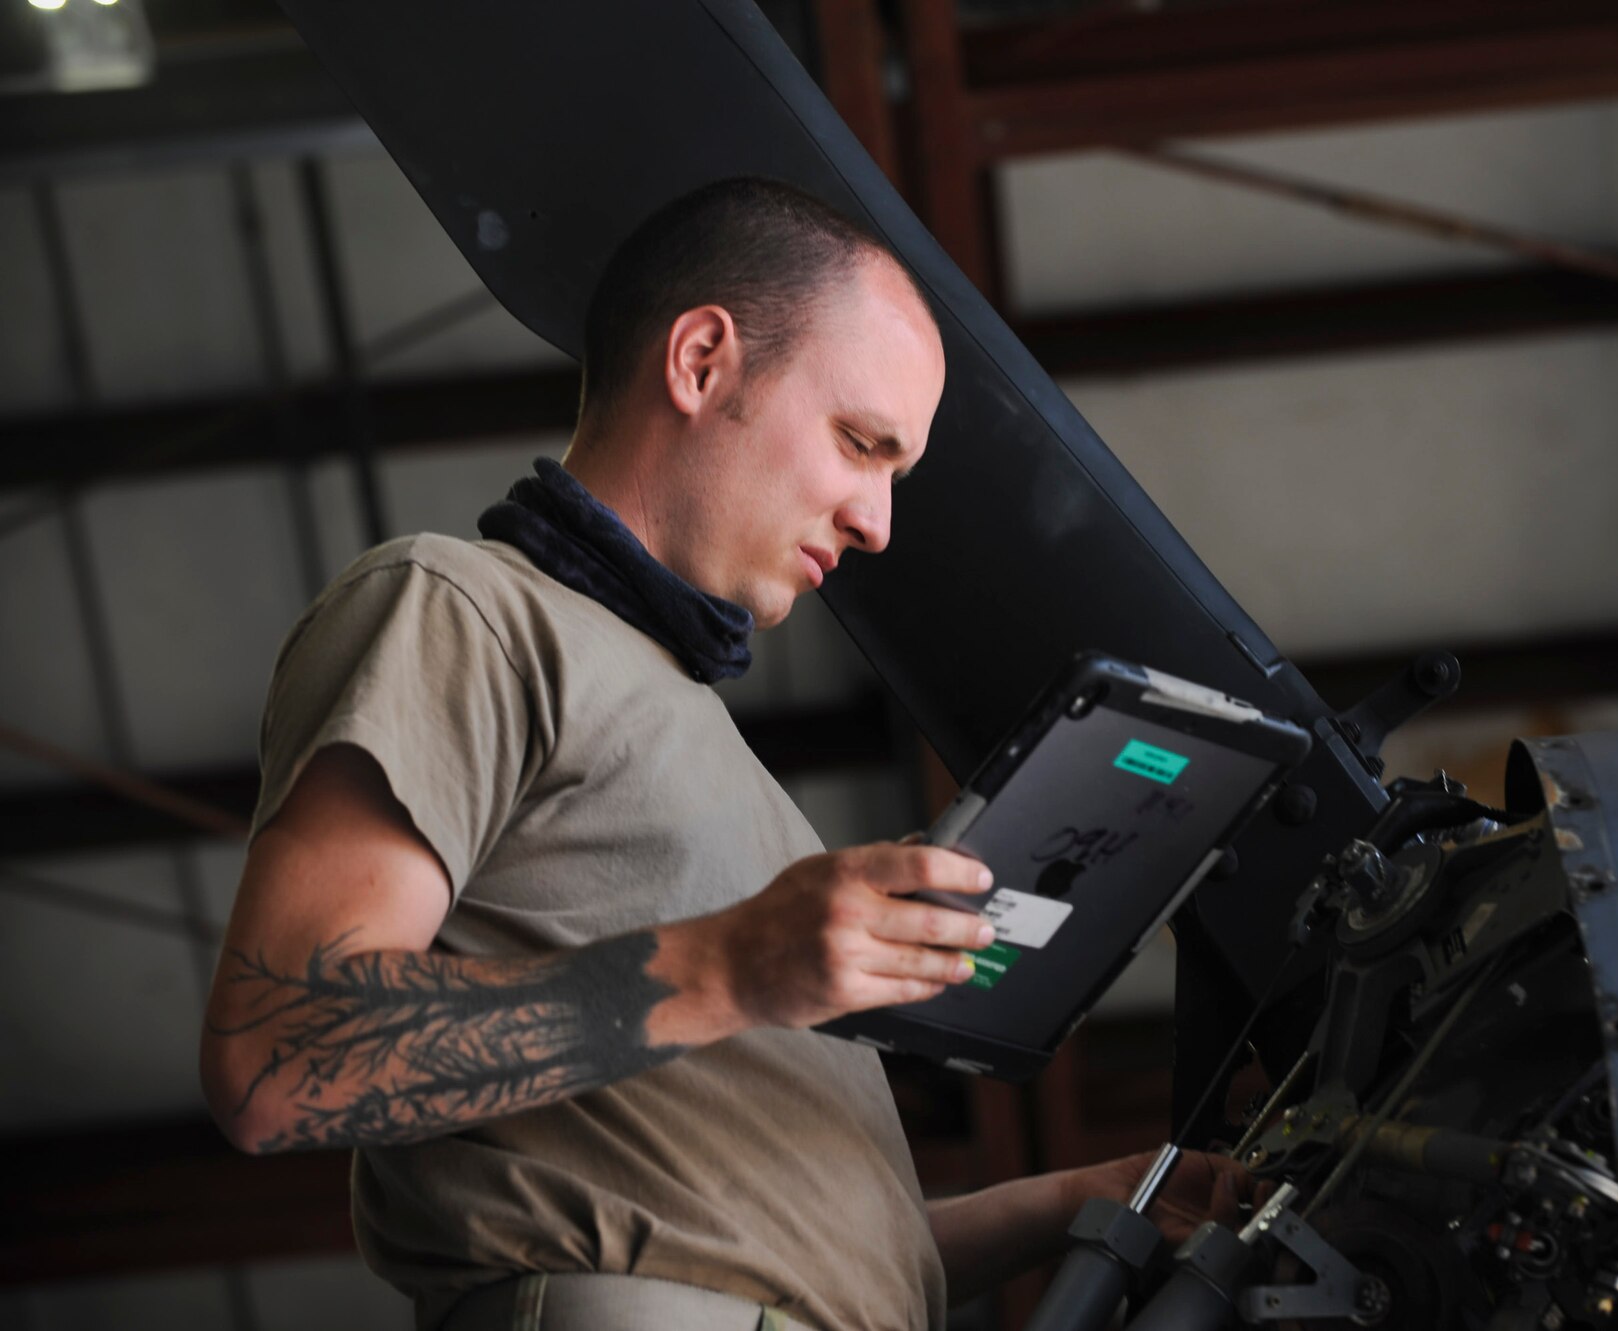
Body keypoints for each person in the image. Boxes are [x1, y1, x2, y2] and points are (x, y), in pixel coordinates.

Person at [199, 178, 1244, 1331]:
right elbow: (278, 1055)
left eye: (896, 475)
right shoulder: (467, 607)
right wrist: (739, 963)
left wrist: (1084, 1197)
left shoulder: (724, 774)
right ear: (701, 361)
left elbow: (785, 1254)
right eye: (859, 442)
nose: (876, 521)